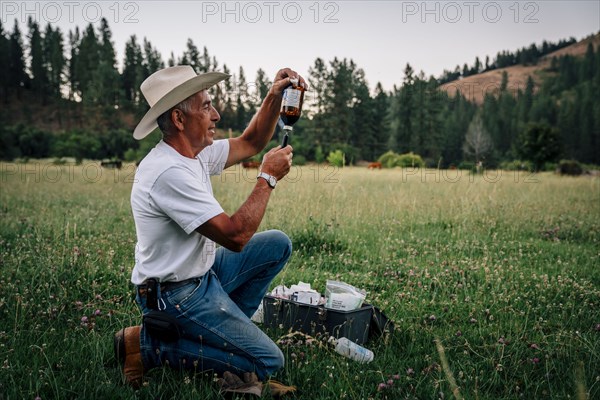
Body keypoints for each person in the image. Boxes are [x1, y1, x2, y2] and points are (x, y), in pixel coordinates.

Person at [114, 65, 304, 395]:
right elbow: (235, 236)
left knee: (277, 244)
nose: (215, 114)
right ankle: (146, 346)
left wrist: (274, 97)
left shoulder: (194, 153)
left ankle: (228, 336)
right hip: (173, 295)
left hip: (204, 275)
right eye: (205, 106)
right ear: (178, 119)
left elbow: (252, 140)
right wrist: (267, 178)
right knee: (268, 361)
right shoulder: (167, 171)